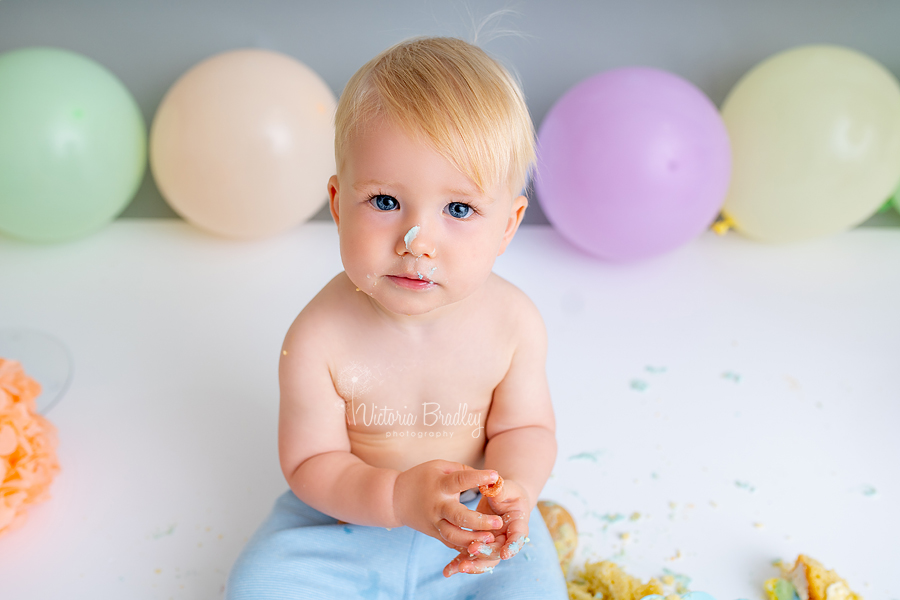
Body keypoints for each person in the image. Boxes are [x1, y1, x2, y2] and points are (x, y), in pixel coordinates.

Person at [226, 36, 567, 599]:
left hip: (471, 525)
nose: (418, 242)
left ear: (508, 226)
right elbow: (313, 462)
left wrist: (515, 490)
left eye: (459, 209)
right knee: (260, 585)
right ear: (339, 206)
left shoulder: (513, 324)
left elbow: (525, 429)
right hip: (344, 520)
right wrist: (395, 499)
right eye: (385, 202)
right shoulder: (319, 338)